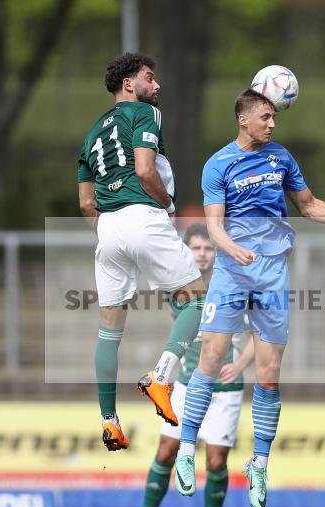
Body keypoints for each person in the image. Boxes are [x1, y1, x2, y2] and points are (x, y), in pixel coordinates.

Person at [174, 89, 325, 507]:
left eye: (274, 117)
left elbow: (308, 207)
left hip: (271, 273)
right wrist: (231, 250)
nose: (273, 123)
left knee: (269, 374)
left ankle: (259, 464)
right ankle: (185, 449)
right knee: (210, 361)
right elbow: (213, 227)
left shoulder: (281, 158)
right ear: (244, 120)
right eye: (266, 117)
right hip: (233, 272)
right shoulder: (218, 164)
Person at [78, 53, 207, 452]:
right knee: (197, 301)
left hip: (108, 228)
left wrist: (111, 231)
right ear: (129, 84)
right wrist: (166, 207)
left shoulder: (91, 134)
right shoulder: (144, 115)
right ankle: (161, 377)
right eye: (150, 78)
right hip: (142, 214)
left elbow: (86, 203)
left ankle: (109, 421)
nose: (158, 86)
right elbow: (145, 170)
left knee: (109, 329)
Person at [127, 223, 255, 507]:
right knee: (166, 451)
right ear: (186, 252)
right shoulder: (176, 285)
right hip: (185, 383)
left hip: (224, 388)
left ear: (217, 251)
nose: (202, 253)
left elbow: (260, 331)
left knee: (215, 461)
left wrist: (241, 364)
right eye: (196, 248)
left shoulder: (235, 283)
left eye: (208, 248)